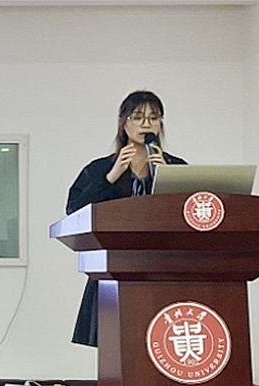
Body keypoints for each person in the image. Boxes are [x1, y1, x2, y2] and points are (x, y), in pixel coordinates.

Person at [66, 90, 187, 347]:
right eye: (138, 117)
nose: (146, 124)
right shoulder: (100, 169)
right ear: (123, 122)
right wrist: (111, 177)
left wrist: (169, 179)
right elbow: (74, 211)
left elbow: (188, 213)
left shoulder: (175, 167)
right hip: (115, 267)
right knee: (116, 344)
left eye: (153, 118)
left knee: (159, 342)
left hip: (163, 268)